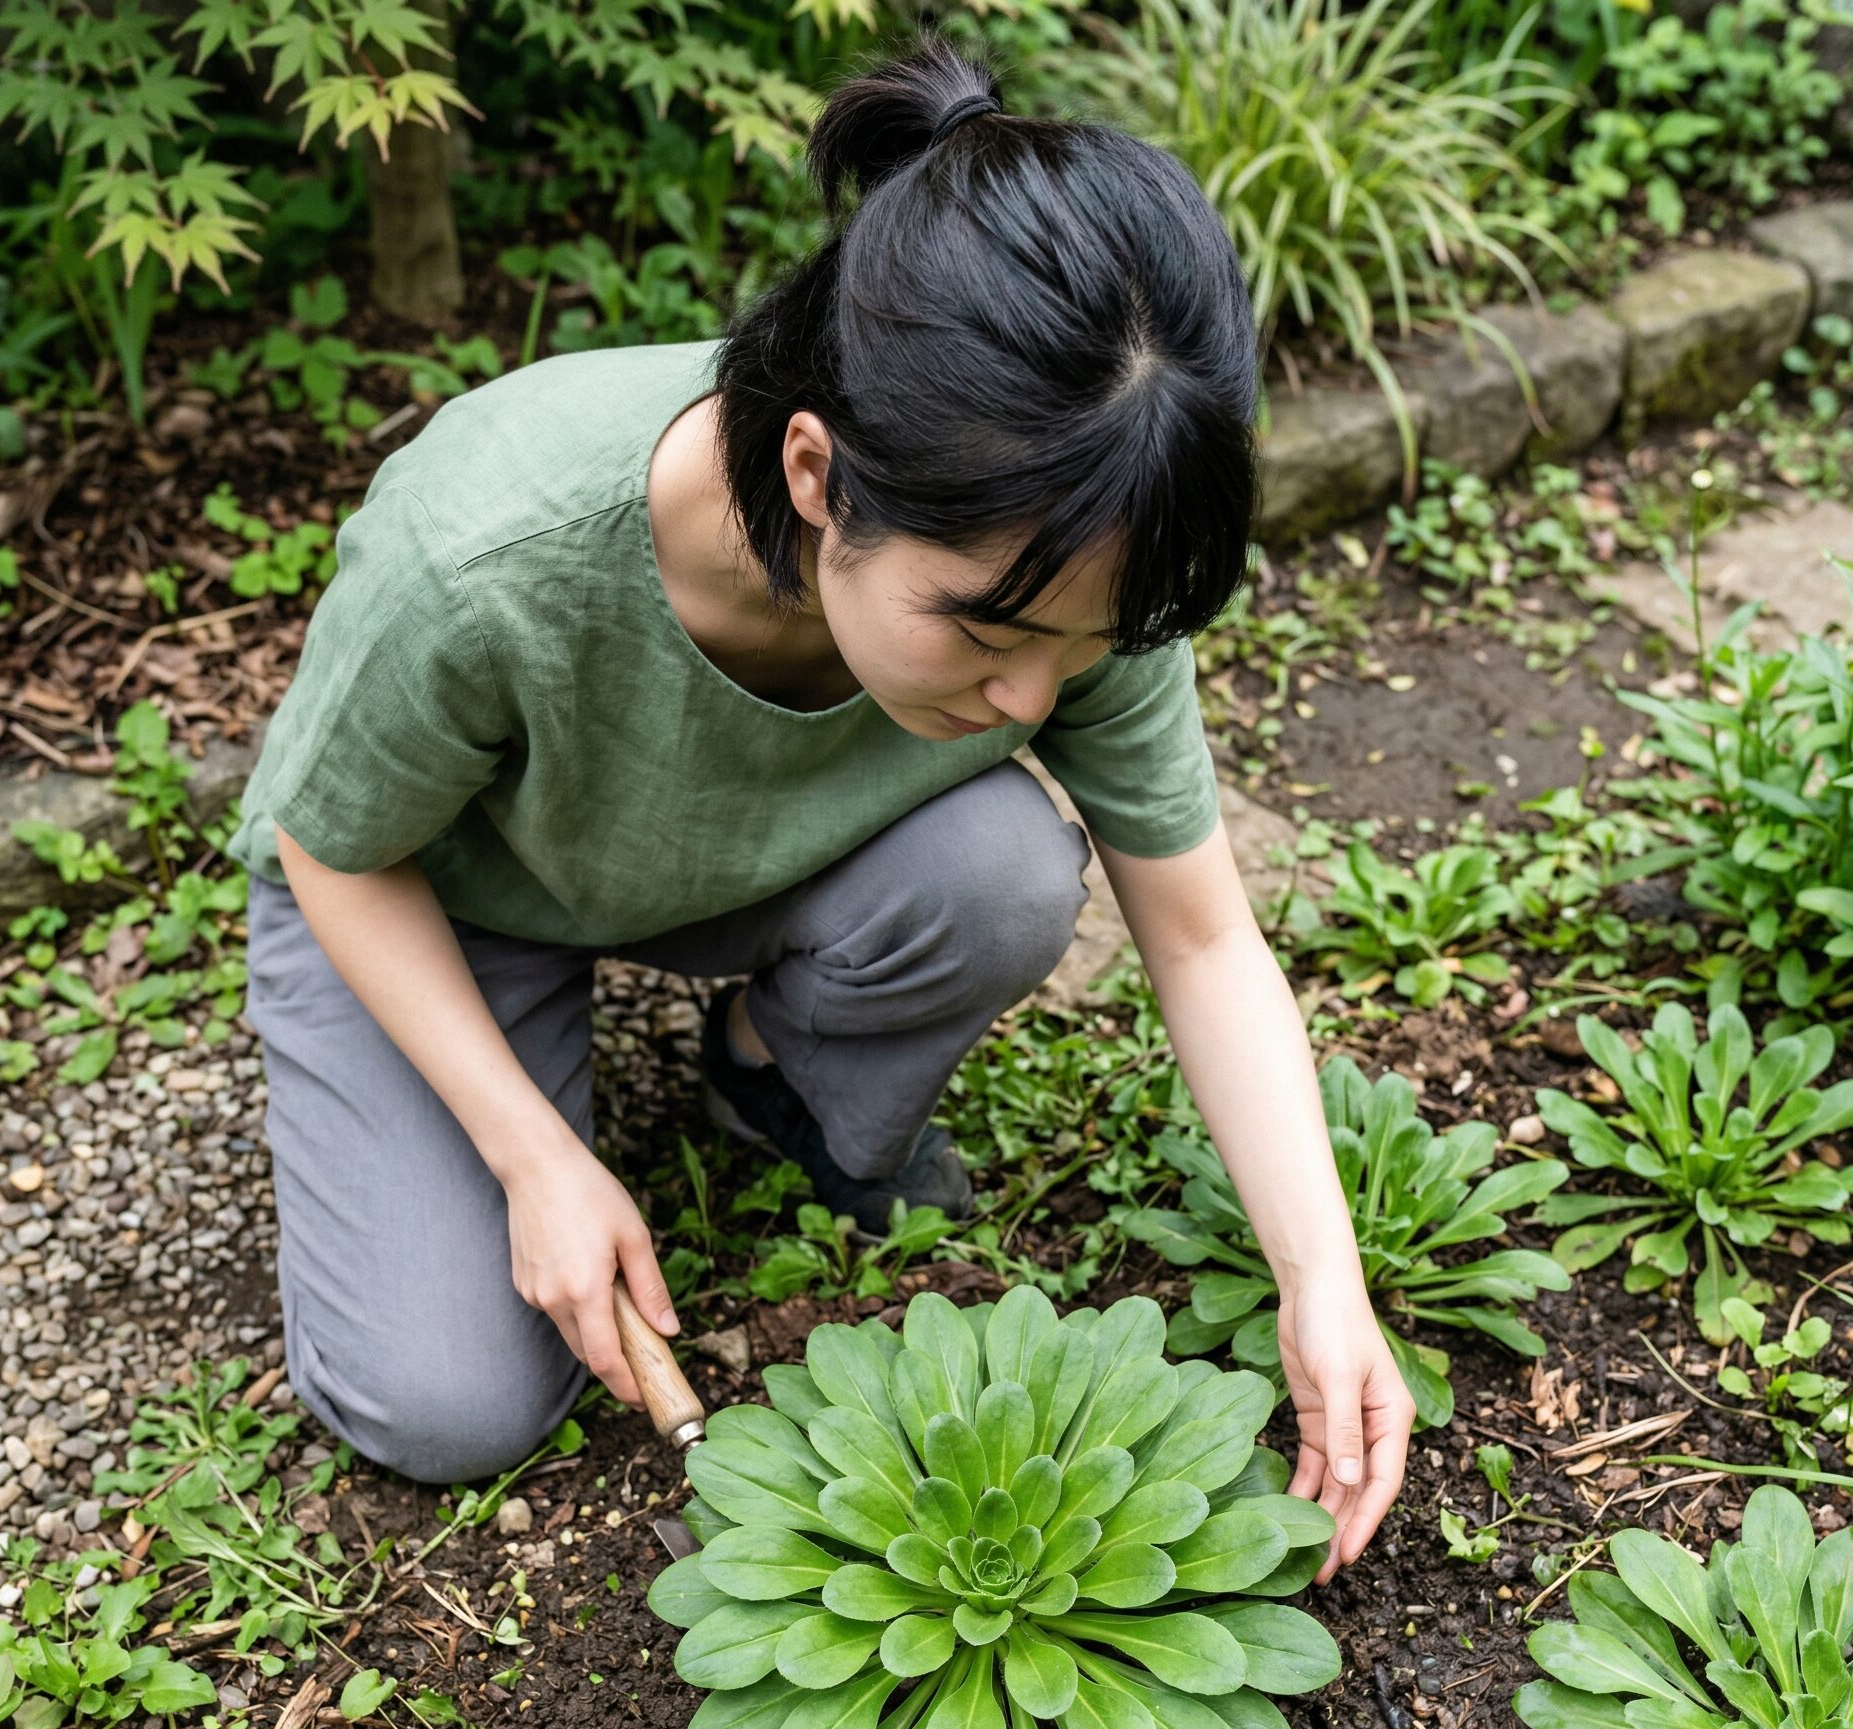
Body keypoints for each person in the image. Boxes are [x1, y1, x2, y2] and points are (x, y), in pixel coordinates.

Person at [229, 36, 1414, 1578]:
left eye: (1085, 647)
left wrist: (1323, 1277)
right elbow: (336, 848)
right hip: (440, 897)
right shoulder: (486, 555)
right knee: (447, 1403)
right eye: (986, 634)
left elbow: (1196, 940)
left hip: (737, 858)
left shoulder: (1080, 557)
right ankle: (525, 1089)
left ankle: (770, 1076)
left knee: (998, 870)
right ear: (813, 471)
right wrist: (532, 1156)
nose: (1034, 699)